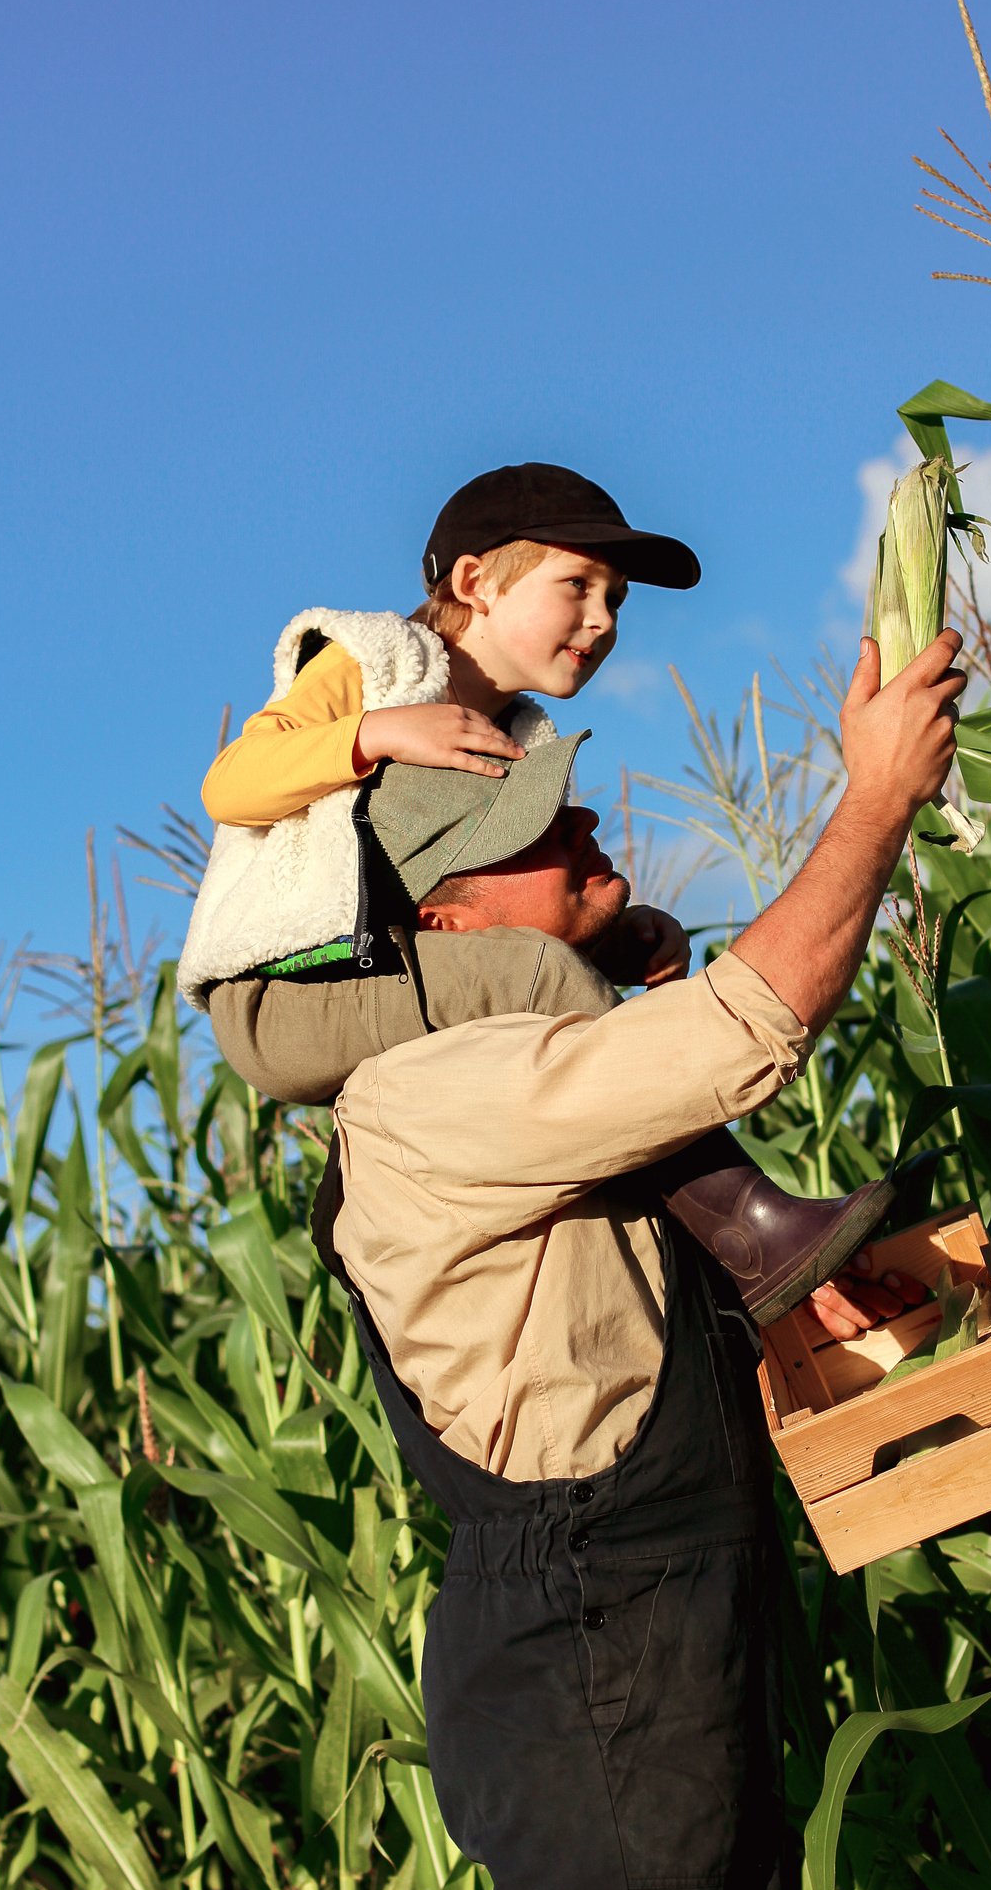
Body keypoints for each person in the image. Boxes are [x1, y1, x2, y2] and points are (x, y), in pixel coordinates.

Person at [314, 627, 967, 1890]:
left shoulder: (543, 1070)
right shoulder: (433, 1085)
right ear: (439, 920)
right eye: (528, 830)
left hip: (655, 1612)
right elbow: (750, 1023)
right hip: (588, 1632)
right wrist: (873, 800)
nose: (583, 820)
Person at [178, 463, 899, 1324]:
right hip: (285, 994)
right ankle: (747, 1230)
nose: (602, 621)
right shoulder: (372, 662)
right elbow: (230, 783)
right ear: (475, 583)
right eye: (577, 586)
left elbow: (454, 899)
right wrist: (372, 730)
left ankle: (730, 1254)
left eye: (617, 600)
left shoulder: (517, 728)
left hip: (370, 968)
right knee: (525, 972)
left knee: (533, 970)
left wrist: (608, 936)